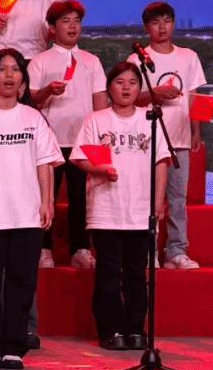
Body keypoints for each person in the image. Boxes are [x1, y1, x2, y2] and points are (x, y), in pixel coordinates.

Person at [0, 49, 62, 370]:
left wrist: (47, 202)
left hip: (26, 213)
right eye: (2, 69)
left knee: (21, 284)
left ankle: (14, 347)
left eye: (15, 69)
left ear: (23, 78)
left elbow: (45, 162)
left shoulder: (33, 118)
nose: (9, 75)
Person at [71, 62, 169, 351]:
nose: (126, 88)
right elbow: (80, 158)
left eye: (132, 83)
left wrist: (158, 200)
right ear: (109, 87)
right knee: (109, 273)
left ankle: (136, 329)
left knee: (137, 273)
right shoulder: (96, 120)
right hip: (106, 209)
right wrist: (99, 170)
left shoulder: (150, 119)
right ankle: (111, 330)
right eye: (119, 82)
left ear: (140, 88)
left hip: (140, 209)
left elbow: (161, 161)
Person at [27, 0, 108, 269]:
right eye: (65, 21)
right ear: (52, 27)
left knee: (81, 198)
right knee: (46, 196)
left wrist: (101, 138)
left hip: (82, 142)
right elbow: (30, 101)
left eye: (77, 21)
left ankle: (81, 248)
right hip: (49, 141)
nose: (72, 26)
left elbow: (100, 100)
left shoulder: (91, 61)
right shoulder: (39, 61)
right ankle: (43, 248)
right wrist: (48, 91)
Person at [128, 1, 207, 270]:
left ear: (173, 23)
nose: (162, 27)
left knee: (176, 199)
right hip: (147, 140)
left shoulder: (188, 56)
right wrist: (156, 94)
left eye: (167, 21)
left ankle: (176, 250)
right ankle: (147, 250)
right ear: (146, 27)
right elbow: (129, 98)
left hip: (179, 138)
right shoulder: (137, 60)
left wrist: (195, 130)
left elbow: (194, 96)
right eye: (155, 22)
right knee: (148, 197)